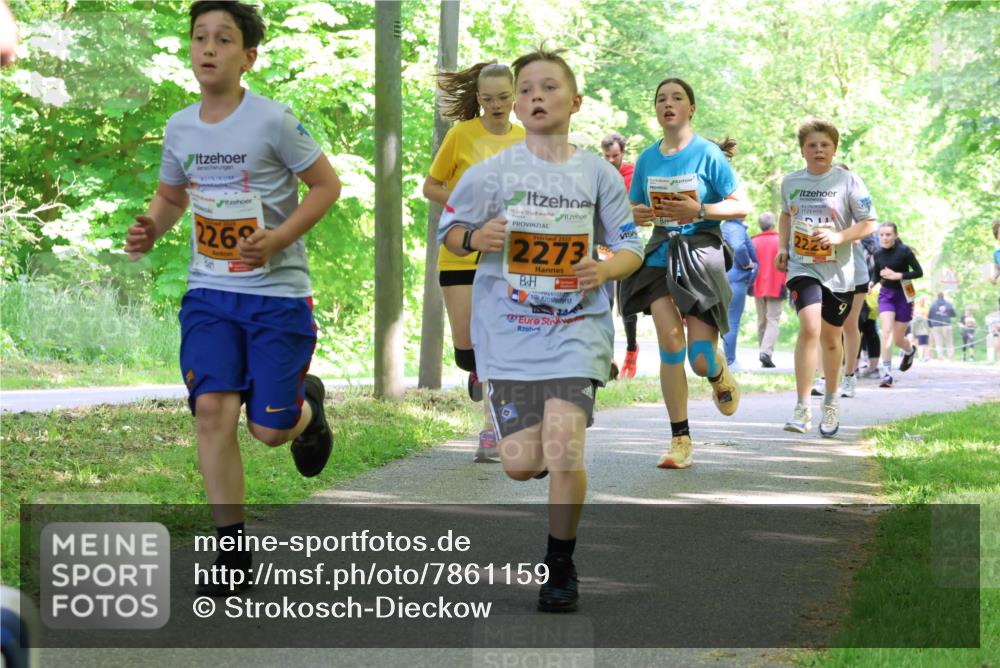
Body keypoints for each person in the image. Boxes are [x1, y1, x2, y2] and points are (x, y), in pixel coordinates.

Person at [124, 1, 340, 595]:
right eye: (200, 38)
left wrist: (278, 238)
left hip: (277, 296)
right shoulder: (179, 126)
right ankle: (233, 551)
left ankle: (307, 409)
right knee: (213, 411)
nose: (208, 48)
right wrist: (150, 226)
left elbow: (326, 186)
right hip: (210, 293)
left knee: (268, 432)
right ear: (190, 50)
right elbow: (172, 197)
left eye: (223, 39)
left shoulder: (273, 120)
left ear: (248, 57)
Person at [438, 47, 643, 612]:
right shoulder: (491, 173)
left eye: (548, 87)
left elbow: (630, 244)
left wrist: (602, 268)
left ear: (574, 102)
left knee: (563, 445)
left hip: (577, 329)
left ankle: (560, 564)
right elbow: (449, 231)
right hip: (509, 334)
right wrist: (475, 238)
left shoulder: (597, 172)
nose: (534, 96)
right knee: (521, 462)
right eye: (526, 88)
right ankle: (555, 462)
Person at [619, 78, 750, 469]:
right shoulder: (646, 158)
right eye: (661, 99)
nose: (668, 104)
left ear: (691, 108)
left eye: (677, 98)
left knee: (698, 357)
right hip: (660, 254)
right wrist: (636, 214)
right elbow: (632, 209)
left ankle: (717, 370)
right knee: (671, 346)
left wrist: (701, 211)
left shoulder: (709, 154)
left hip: (700, 252)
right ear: (656, 110)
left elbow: (741, 205)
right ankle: (680, 440)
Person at [423, 61, 525, 463]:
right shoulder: (461, 135)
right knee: (468, 346)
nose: (496, 105)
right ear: (478, 99)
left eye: (503, 97)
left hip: (505, 256)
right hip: (460, 250)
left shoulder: (526, 139)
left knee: (496, 342)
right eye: (487, 99)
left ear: (514, 94)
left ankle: (492, 429)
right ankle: (474, 369)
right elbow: (430, 185)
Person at [777, 119, 877, 436]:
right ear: (803, 150)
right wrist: (782, 246)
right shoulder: (791, 182)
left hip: (839, 272)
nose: (818, 150)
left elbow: (869, 223)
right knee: (809, 326)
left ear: (834, 149)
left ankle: (831, 403)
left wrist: (838, 237)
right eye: (812, 145)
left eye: (824, 145)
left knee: (832, 339)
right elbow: (784, 214)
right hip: (802, 266)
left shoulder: (849, 181)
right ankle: (802, 407)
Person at [601, 132, 640, 377]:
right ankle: (607, 356)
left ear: (622, 153)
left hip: (626, 242)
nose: (611, 160)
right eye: (607, 156)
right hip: (603, 244)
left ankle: (631, 349)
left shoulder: (633, 174)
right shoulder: (598, 173)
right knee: (605, 300)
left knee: (627, 304)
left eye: (615, 156)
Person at [872, 221, 922, 387]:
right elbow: (876, 274)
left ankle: (909, 351)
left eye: (888, 235)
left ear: (895, 236)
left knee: (899, 339)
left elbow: (918, 272)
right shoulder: (877, 253)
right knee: (886, 332)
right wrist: (871, 283)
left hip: (905, 294)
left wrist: (898, 275)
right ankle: (886, 374)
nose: (884, 238)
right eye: (882, 235)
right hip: (886, 295)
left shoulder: (904, 251)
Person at [722, 216, 757, 369]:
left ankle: (722, 359)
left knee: (724, 321)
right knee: (732, 321)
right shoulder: (734, 227)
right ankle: (730, 361)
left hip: (723, 278)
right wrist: (747, 263)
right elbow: (738, 246)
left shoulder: (724, 226)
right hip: (735, 279)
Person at [751, 212, 786, 368]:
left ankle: (762, 352)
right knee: (773, 319)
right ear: (773, 224)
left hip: (758, 285)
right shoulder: (780, 241)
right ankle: (765, 352)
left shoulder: (753, 241)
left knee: (761, 321)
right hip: (776, 285)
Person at [928, 292, 957, 360]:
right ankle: (951, 356)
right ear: (943, 296)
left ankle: (940, 356)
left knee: (938, 342)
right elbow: (954, 314)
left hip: (936, 326)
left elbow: (929, 316)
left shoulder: (933, 305)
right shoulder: (948, 304)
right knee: (949, 342)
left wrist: (930, 326)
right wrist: (947, 313)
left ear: (937, 297)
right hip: (946, 324)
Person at [911, 297, 931, 362]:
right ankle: (920, 357)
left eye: (923, 300)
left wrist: (928, 331)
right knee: (919, 344)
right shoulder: (916, 308)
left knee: (925, 344)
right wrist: (913, 333)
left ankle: (924, 357)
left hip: (924, 331)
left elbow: (928, 320)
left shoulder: (926, 308)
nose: (922, 302)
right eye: (921, 300)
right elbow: (913, 323)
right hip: (919, 331)